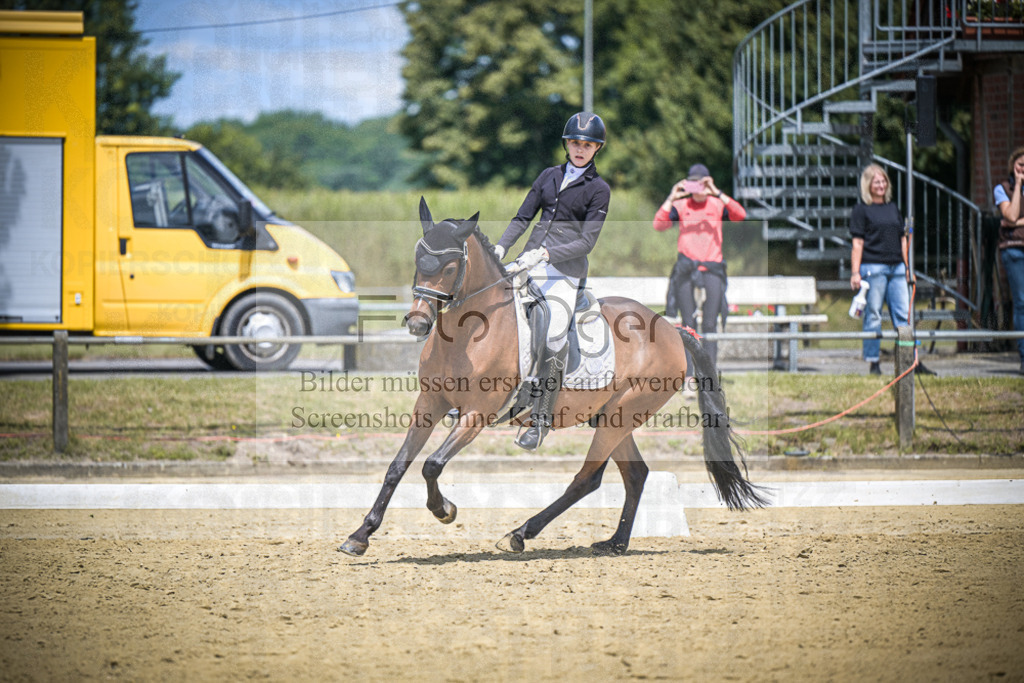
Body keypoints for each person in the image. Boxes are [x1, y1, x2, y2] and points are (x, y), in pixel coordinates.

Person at [494, 112, 611, 450]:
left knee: (555, 331)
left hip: (565, 270)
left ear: (596, 149)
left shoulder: (599, 190)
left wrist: (545, 255)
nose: (580, 149)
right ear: (567, 144)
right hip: (527, 261)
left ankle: (540, 421)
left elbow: (587, 242)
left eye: (587, 145)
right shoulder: (548, 176)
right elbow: (522, 217)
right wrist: (502, 247)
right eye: (575, 142)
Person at [653, 163, 746, 364]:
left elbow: (740, 215)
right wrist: (672, 196)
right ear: (687, 185)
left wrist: (717, 192)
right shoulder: (681, 205)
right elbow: (659, 225)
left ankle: (709, 373)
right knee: (688, 324)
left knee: (710, 323)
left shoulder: (717, 203)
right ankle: (689, 373)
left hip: (712, 268)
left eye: (702, 183)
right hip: (686, 269)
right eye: (693, 183)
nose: (698, 187)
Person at [849, 163, 910, 375]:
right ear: (868, 185)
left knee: (903, 315)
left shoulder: (894, 209)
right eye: (877, 181)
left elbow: (904, 239)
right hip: (873, 269)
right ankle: (873, 362)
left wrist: (908, 266)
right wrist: (855, 272)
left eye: (884, 181)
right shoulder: (861, 210)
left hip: (897, 269)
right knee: (873, 315)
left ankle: (908, 361)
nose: (881, 184)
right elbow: (858, 243)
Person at [995, 146, 1024, 374]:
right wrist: (1018, 185)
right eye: (1020, 165)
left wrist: (1015, 224)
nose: (1023, 169)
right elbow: (1011, 215)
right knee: (1022, 302)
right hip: (1014, 251)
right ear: (1013, 166)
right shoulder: (1002, 189)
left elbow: (1013, 221)